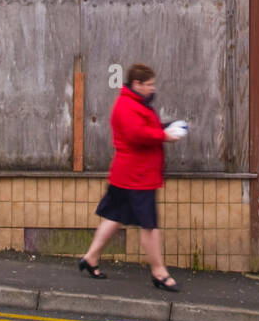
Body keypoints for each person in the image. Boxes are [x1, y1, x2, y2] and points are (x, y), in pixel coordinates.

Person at [79, 63, 186, 291]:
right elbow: (137, 134)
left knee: (116, 217)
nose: (152, 88)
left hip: (128, 175)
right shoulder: (127, 105)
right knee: (149, 225)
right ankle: (159, 272)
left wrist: (167, 128)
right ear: (136, 84)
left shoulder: (136, 104)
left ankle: (90, 257)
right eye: (149, 85)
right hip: (137, 177)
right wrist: (165, 136)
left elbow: (147, 128)